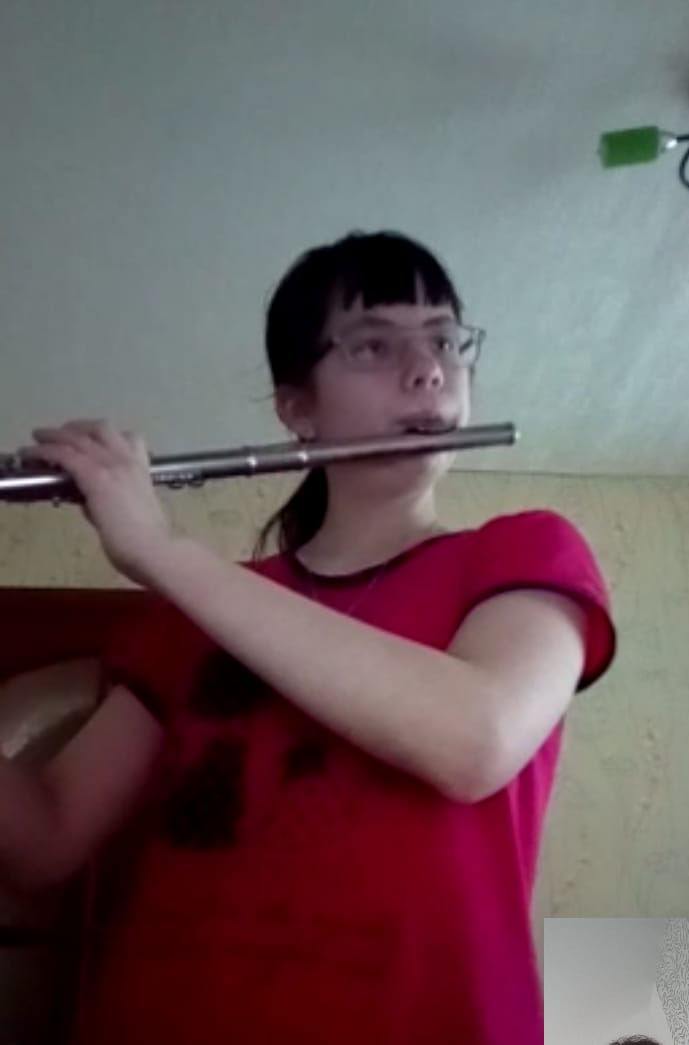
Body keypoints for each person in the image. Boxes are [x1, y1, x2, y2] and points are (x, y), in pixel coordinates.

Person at [1, 230, 617, 1045]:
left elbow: (474, 739)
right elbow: (45, 838)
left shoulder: (526, 552)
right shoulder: (193, 613)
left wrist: (158, 549)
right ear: (297, 408)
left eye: (444, 340)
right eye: (373, 345)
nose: (428, 368)